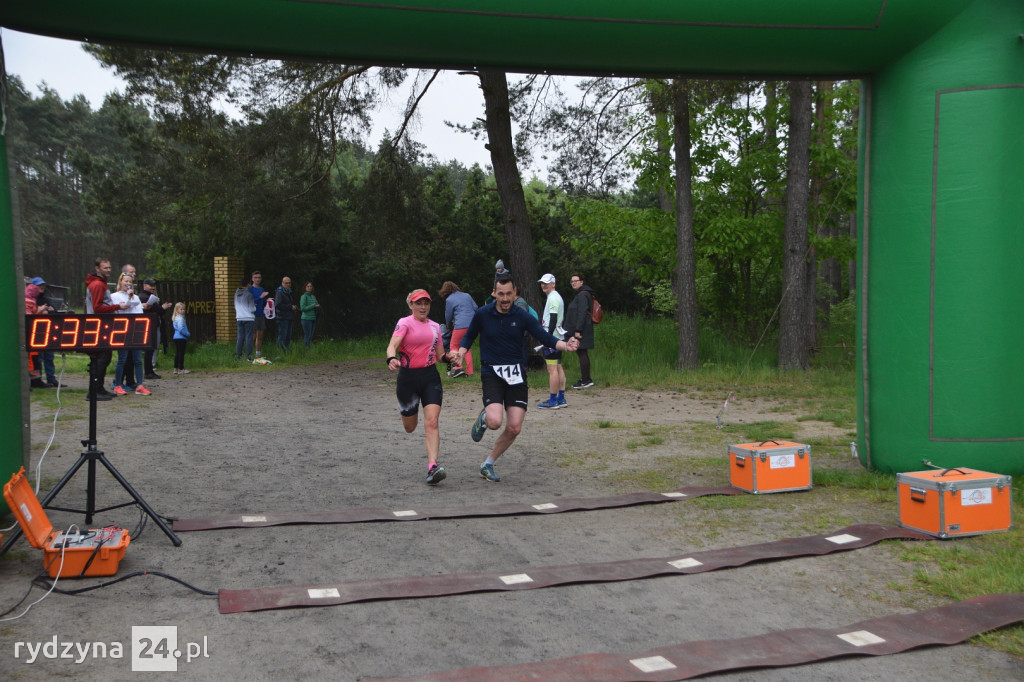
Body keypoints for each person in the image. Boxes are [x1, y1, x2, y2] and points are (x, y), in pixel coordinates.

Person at [454, 273, 579, 482]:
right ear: (494, 293)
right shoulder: (483, 314)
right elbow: (469, 336)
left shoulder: (521, 316)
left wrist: (565, 345)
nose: (504, 299)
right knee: (495, 421)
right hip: (492, 372)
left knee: (514, 427)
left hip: (516, 375)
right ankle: (484, 418)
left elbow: (544, 336)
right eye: (500, 294)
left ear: (515, 294)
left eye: (508, 294)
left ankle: (488, 464)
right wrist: (460, 351)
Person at [386, 289, 455, 485]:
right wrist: (391, 358)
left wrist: (448, 357)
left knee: (431, 422)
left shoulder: (435, 327)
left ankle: (432, 467)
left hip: (430, 377)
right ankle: (431, 463)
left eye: (426, 303)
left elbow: (441, 355)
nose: (423, 307)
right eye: (419, 303)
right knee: (410, 427)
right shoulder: (404, 323)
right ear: (411, 305)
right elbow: (392, 345)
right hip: (407, 378)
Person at [84, 257, 128, 401]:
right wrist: (117, 307)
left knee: (106, 357)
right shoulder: (97, 285)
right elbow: (97, 308)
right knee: (101, 359)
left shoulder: (101, 283)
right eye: (105, 268)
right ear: (97, 269)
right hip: (98, 325)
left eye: (109, 267)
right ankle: (93, 391)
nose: (108, 270)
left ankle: (100, 388)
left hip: (102, 325)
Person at [110, 274, 151, 396]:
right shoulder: (114, 296)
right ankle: (117, 384)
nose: (128, 283)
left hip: (135, 330)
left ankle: (139, 385)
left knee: (138, 359)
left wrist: (132, 298)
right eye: (125, 281)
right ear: (120, 282)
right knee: (122, 359)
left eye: (130, 281)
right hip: (122, 330)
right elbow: (114, 311)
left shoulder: (136, 297)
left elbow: (139, 312)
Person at [536, 273, 567, 409]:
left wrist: (547, 339)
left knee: (552, 368)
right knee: (558, 367)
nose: (544, 285)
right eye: (542, 283)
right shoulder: (555, 296)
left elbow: (553, 319)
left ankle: (553, 400)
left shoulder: (553, 297)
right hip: (557, 337)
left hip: (553, 337)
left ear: (553, 284)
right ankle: (561, 398)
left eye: (547, 283)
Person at [565, 272, 597, 389]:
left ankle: (586, 380)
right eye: (571, 281)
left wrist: (578, 330)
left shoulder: (583, 295)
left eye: (575, 281)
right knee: (581, 352)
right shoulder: (581, 294)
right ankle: (586, 379)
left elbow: (582, 313)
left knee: (582, 352)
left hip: (582, 329)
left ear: (581, 282)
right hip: (582, 327)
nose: (573, 283)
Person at [439, 281, 478, 377]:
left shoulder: (449, 299)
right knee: (466, 347)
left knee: (453, 346)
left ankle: (458, 368)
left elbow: (448, 315)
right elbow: (476, 307)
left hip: (460, 325)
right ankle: (470, 372)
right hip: (472, 325)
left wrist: (449, 326)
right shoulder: (467, 295)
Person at [139, 278, 172, 379]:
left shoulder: (151, 296)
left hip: (153, 323)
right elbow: (158, 310)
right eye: (150, 285)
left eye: (153, 286)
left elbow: (159, 310)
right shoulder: (143, 296)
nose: (153, 287)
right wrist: (162, 307)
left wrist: (161, 308)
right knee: (149, 349)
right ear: (145, 285)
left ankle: (150, 370)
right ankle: (148, 372)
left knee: (152, 348)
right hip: (148, 324)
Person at [24, 279, 51, 389]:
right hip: (30, 333)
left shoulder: (30, 300)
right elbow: (30, 314)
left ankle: (35, 380)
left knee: (34, 358)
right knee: (31, 359)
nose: (41, 289)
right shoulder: (29, 301)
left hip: (33, 333)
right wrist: (42, 309)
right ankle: (32, 382)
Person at [249, 271, 270, 360]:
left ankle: (258, 354)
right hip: (253, 315)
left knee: (260, 335)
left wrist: (267, 300)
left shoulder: (261, 289)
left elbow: (263, 302)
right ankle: (249, 354)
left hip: (261, 314)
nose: (257, 279)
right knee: (253, 335)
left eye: (259, 277)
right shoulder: (250, 289)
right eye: (256, 277)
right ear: (252, 279)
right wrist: (260, 297)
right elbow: (250, 302)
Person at [234, 275, 256, 361]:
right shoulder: (249, 294)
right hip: (248, 318)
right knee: (249, 337)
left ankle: (238, 356)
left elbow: (235, 306)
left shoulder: (236, 294)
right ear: (248, 284)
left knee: (240, 337)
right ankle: (248, 356)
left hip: (239, 317)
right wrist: (255, 307)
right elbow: (251, 309)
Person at [275, 276, 297, 352]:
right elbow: (278, 304)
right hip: (282, 317)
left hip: (289, 317)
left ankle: (286, 352)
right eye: (286, 283)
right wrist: (290, 307)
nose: (288, 284)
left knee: (288, 336)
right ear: (282, 283)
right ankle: (280, 353)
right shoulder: (280, 292)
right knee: (282, 336)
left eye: (289, 283)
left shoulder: (288, 292)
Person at [172, 302, 191, 374]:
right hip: (181, 337)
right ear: (177, 310)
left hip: (176, 337)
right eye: (181, 309)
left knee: (177, 353)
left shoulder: (176, 318)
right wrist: (187, 334)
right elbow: (181, 329)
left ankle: (175, 368)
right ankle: (181, 368)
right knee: (181, 353)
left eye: (184, 309)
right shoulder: (180, 319)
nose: (183, 310)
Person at [299, 281, 320, 348]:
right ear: (305, 288)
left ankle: (308, 348)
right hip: (306, 318)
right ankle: (306, 348)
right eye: (308, 286)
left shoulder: (313, 296)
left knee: (311, 335)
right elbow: (303, 308)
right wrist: (313, 306)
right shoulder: (303, 296)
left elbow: (316, 304)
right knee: (307, 335)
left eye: (310, 286)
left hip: (313, 318)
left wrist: (318, 306)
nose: (309, 287)